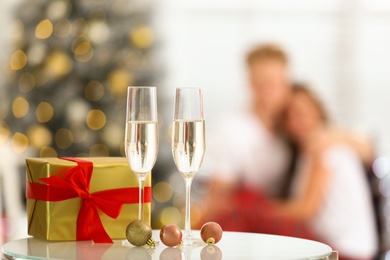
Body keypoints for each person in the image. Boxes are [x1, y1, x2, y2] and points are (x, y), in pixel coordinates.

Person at [276, 85, 378, 260]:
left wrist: (261, 209)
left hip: (344, 250)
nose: (295, 120)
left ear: (318, 110)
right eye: (289, 116)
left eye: (301, 112)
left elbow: (305, 210)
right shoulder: (305, 153)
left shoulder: (323, 146)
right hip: (339, 246)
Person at [200, 44, 291, 225]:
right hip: (254, 222)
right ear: (251, 84)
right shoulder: (232, 128)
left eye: (279, 82)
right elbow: (219, 194)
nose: (273, 90)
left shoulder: (294, 124)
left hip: (289, 216)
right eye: (265, 82)